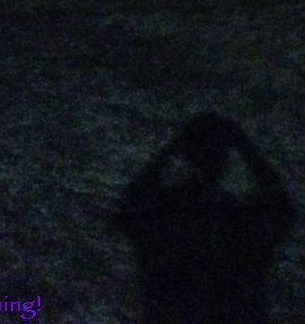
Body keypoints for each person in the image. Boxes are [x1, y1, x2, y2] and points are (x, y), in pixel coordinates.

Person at [114, 112, 295, 323]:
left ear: (187, 155)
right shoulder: (238, 227)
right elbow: (279, 205)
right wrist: (243, 145)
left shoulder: (165, 222)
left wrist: (172, 148)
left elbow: (132, 203)